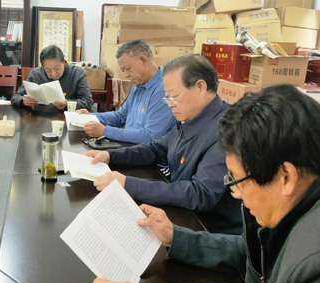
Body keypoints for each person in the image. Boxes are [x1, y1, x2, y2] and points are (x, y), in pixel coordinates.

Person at [93, 84, 320, 283]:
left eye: (237, 181)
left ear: (286, 177)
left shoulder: (314, 263)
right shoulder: (293, 208)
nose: (236, 194)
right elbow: (254, 253)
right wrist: (176, 237)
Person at [86, 54, 240, 234]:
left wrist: (128, 184)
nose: (170, 105)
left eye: (174, 97)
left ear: (200, 87)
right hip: (183, 212)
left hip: (208, 231)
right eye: (168, 98)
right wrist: (110, 156)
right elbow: (156, 149)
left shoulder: (227, 131)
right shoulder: (191, 117)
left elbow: (200, 193)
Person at [77, 40, 175, 143]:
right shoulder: (139, 84)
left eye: (128, 69)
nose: (126, 75)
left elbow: (150, 136)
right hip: (130, 147)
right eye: (123, 71)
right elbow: (121, 116)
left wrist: (105, 131)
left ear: (144, 61)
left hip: (146, 150)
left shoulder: (164, 89)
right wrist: (91, 117)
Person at [11, 45, 93, 112]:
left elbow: (88, 101)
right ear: (43, 66)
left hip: (66, 118)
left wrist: (67, 104)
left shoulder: (77, 73)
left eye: (57, 67)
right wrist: (23, 101)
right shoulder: (35, 74)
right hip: (40, 118)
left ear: (63, 62)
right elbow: (15, 98)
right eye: (48, 69)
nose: (53, 73)